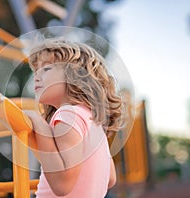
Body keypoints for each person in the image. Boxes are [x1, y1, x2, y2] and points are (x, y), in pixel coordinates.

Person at [24, 38, 121, 198]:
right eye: (36, 71)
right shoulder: (93, 122)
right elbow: (110, 178)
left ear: (75, 75)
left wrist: (39, 124)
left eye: (46, 68)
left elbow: (62, 184)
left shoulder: (68, 115)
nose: (36, 76)